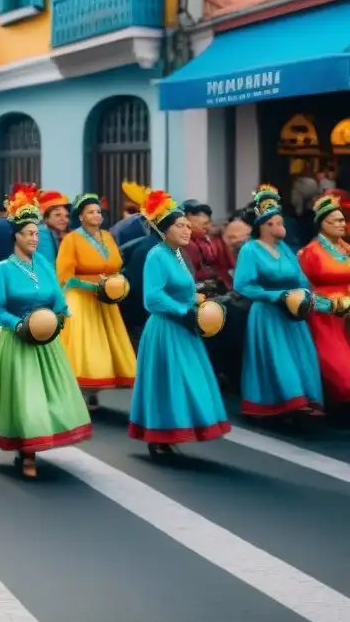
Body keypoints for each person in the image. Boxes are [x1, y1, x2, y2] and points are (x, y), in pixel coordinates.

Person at [0, 185, 90, 479]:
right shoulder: (0, 271)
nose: (34, 238)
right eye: (29, 233)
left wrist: (59, 314)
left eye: (37, 233)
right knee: (26, 397)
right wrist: (17, 325)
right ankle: (27, 453)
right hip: (17, 340)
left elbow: (56, 295)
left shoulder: (42, 263)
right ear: (15, 235)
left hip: (46, 341)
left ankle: (40, 440)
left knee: (49, 395)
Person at [127, 190, 230, 457]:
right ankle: (160, 436)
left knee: (188, 380)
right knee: (168, 382)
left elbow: (181, 290)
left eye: (187, 225)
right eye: (180, 226)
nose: (187, 230)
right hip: (165, 328)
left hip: (185, 326)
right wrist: (183, 311)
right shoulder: (157, 255)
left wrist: (196, 301)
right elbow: (153, 297)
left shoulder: (178, 255)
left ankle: (175, 430)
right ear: (164, 230)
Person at [233, 185, 323, 417]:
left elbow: (301, 277)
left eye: (279, 221)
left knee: (300, 355)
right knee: (278, 358)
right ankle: (285, 401)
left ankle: (307, 398)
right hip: (268, 312)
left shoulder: (285, 249)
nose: (277, 226)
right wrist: (277, 296)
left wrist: (304, 294)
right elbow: (243, 285)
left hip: (292, 313)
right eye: (271, 222)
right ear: (261, 226)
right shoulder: (250, 249)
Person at [56, 192, 136, 410]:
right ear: (80, 216)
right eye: (90, 212)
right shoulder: (71, 239)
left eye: (98, 211)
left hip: (106, 298)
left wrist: (115, 284)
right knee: (85, 345)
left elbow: (116, 265)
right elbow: (65, 276)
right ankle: (78, 389)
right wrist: (93, 287)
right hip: (80, 298)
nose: (96, 215)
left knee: (106, 346)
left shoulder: (107, 237)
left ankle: (92, 390)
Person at [297, 193, 350, 408]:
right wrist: (330, 305)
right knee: (341, 373)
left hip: (347, 315)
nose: (341, 224)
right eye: (335, 221)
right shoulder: (311, 253)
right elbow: (302, 289)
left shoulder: (346, 249)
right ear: (322, 224)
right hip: (324, 316)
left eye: (342, 220)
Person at [35, 189, 70, 265]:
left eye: (67, 216)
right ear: (45, 218)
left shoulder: (58, 235)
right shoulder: (42, 232)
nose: (64, 220)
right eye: (57, 215)